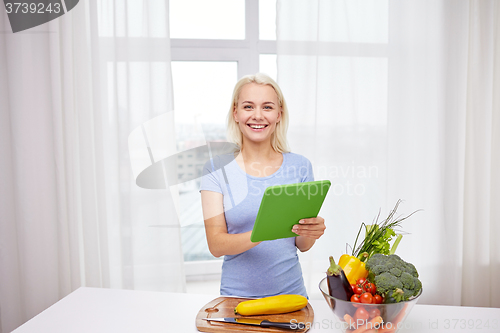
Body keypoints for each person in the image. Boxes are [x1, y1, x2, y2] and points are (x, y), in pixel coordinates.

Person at [199, 73, 326, 298]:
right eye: (248, 106)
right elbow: (216, 245)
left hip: (291, 298)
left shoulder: (300, 166)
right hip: (236, 299)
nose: (257, 116)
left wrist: (311, 230)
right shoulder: (216, 169)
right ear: (236, 113)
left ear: (279, 114)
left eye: (267, 107)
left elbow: (302, 245)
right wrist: (265, 231)